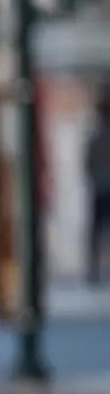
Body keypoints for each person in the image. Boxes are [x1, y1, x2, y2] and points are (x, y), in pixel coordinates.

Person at [86, 88, 110, 284]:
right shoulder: (96, 137)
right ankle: (94, 269)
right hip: (101, 187)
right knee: (97, 230)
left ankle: (94, 269)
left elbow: (88, 163)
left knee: (96, 230)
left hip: (100, 186)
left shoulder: (96, 137)